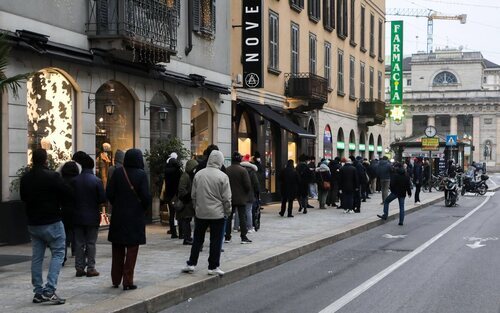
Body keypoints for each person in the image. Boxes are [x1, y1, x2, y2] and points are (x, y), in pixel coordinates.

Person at [20, 148, 70, 305]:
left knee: (37, 257)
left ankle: (38, 291)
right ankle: (49, 290)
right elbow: (67, 192)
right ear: (45, 160)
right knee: (58, 253)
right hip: (52, 220)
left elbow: (23, 197)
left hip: (34, 222)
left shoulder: (26, 178)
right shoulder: (52, 176)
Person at [106, 149, 152, 290]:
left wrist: (118, 204)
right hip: (135, 217)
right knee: (132, 250)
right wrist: (141, 208)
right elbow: (146, 197)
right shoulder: (141, 175)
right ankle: (128, 281)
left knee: (117, 249)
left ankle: (115, 279)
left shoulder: (118, 172)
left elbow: (109, 193)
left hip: (119, 216)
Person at [182, 150, 231, 276]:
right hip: (217, 213)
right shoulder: (222, 176)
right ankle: (213, 266)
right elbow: (226, 198)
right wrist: (227, 211)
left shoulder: (199, 174)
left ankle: (192, 263)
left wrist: (196, 207)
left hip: (201, 212)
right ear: (220, 161)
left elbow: (193, 195)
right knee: (216, 240)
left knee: (198, 239)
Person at [72, 154, 106, 278]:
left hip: (77, 216)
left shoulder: (75, 181)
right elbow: (102, 198)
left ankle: (79, 267)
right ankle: (91, 268)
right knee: (91, 243)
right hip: (92, 215)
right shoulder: (97, 181)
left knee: (79, 243)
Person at [225, 152, 253, 244]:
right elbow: (248, 185)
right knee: (242, 216)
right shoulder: (243, 170)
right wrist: (245, 193)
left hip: (229, 197)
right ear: (240, 160)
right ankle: (243, 237)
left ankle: (227, 236)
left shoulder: (227, 170)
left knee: (228, 217)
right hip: (241, 197)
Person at [58, 161, 81, 267]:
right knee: (77, 234)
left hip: (64, 211)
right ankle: (77, 254)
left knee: (64, 236)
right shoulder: (78, 181)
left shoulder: (60, 182)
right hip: (76, 210)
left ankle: (62, 257)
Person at [177, 159, 198, 245]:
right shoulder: (185, 176)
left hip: (188, 201)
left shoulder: (189, 175)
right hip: (186, 202)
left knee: (187, 219)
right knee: (186, 220)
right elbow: (181, 189)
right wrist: (188, 195)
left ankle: (187, 237)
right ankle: (187, 238)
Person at [164, 152, 182, 239]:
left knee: (171, 214)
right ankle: (181, 232)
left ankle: (173, 232)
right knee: (179, 213)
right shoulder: (178, 171)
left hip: (169, 194)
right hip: (176, 194)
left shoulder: (166, 171)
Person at [240, 154, 260, 231]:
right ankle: (249, 227)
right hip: (250, 193)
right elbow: (256, 184)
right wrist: (257, 192)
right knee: (248, 210)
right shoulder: (252, 172)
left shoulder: (239, 169)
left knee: (239, 212)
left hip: (240, 194)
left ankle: (237, 227)